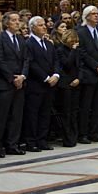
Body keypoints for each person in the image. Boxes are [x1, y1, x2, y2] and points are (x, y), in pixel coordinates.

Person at [0, 11, 29, 157]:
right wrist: (13, 78)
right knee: (2, 116)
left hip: (20, 82)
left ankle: (13, 144)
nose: (17, 22)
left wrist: (23, 76)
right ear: (6, 23)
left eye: (18, 20)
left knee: (16, 116)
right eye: (14, 20)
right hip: (5, 83)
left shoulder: (21, 39)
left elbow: (26, 59)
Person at [23, 16, 59, 151]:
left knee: (45, 113)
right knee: (33, 114)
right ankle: (31, 141)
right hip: (36, 84)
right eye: (40, 25)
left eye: (44, 25)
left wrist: (56, 75)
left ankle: (42, 139)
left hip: (50, 85)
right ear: (32, 27)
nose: (44, 27)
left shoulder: (49, 44)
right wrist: (45, 77)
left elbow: (56, 60)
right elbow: (31, 63)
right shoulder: (29, 43)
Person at [77, 5, 98, 143]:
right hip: (89, 73)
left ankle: (94, 132)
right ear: (87, 16)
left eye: (97, 13)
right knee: (86, 105)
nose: (97, 16)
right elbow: (82, 52)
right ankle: (83, 133)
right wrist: (96, 66)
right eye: (94, 14)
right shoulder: (80, 31)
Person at [55, 29, 82, 146]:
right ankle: (67, 138)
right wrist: (73, 51)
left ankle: (75, 136)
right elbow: (67, 65)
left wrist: (79, 78)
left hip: (76, 82)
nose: (74, 42)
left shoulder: (77, 51)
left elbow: (81, 65)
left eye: (76, 40)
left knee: (75, 111)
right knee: (66, 112)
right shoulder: (60, 50)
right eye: (72, 39)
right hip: (65, 84)